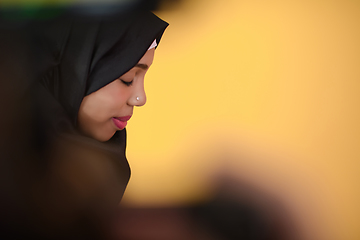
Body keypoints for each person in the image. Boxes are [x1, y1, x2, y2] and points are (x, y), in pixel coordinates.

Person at [0, 9, 168, 240]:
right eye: (127, 79)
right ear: (74, 67)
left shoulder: (103, 172)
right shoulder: (17, 178)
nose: (140, 98)